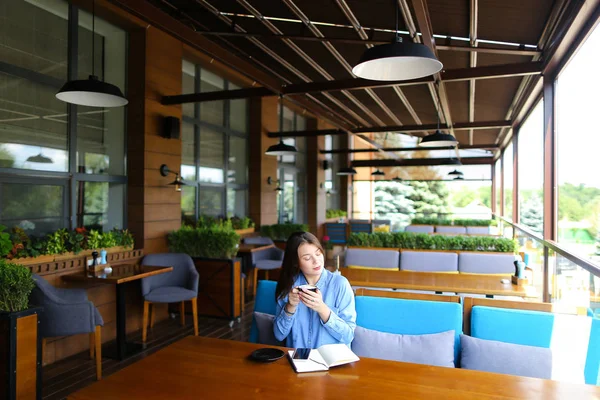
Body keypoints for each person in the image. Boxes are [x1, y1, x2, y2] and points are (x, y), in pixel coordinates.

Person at [273, 231, 356, 349]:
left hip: (332, 361)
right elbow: (279, 335)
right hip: (299, 361)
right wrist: (290, 306)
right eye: (307, 258)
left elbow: (348, 336)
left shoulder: (340, 285)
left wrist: (322, 309)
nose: (316, 261)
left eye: (318, 254)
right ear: (296, 263)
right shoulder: (290, 286)